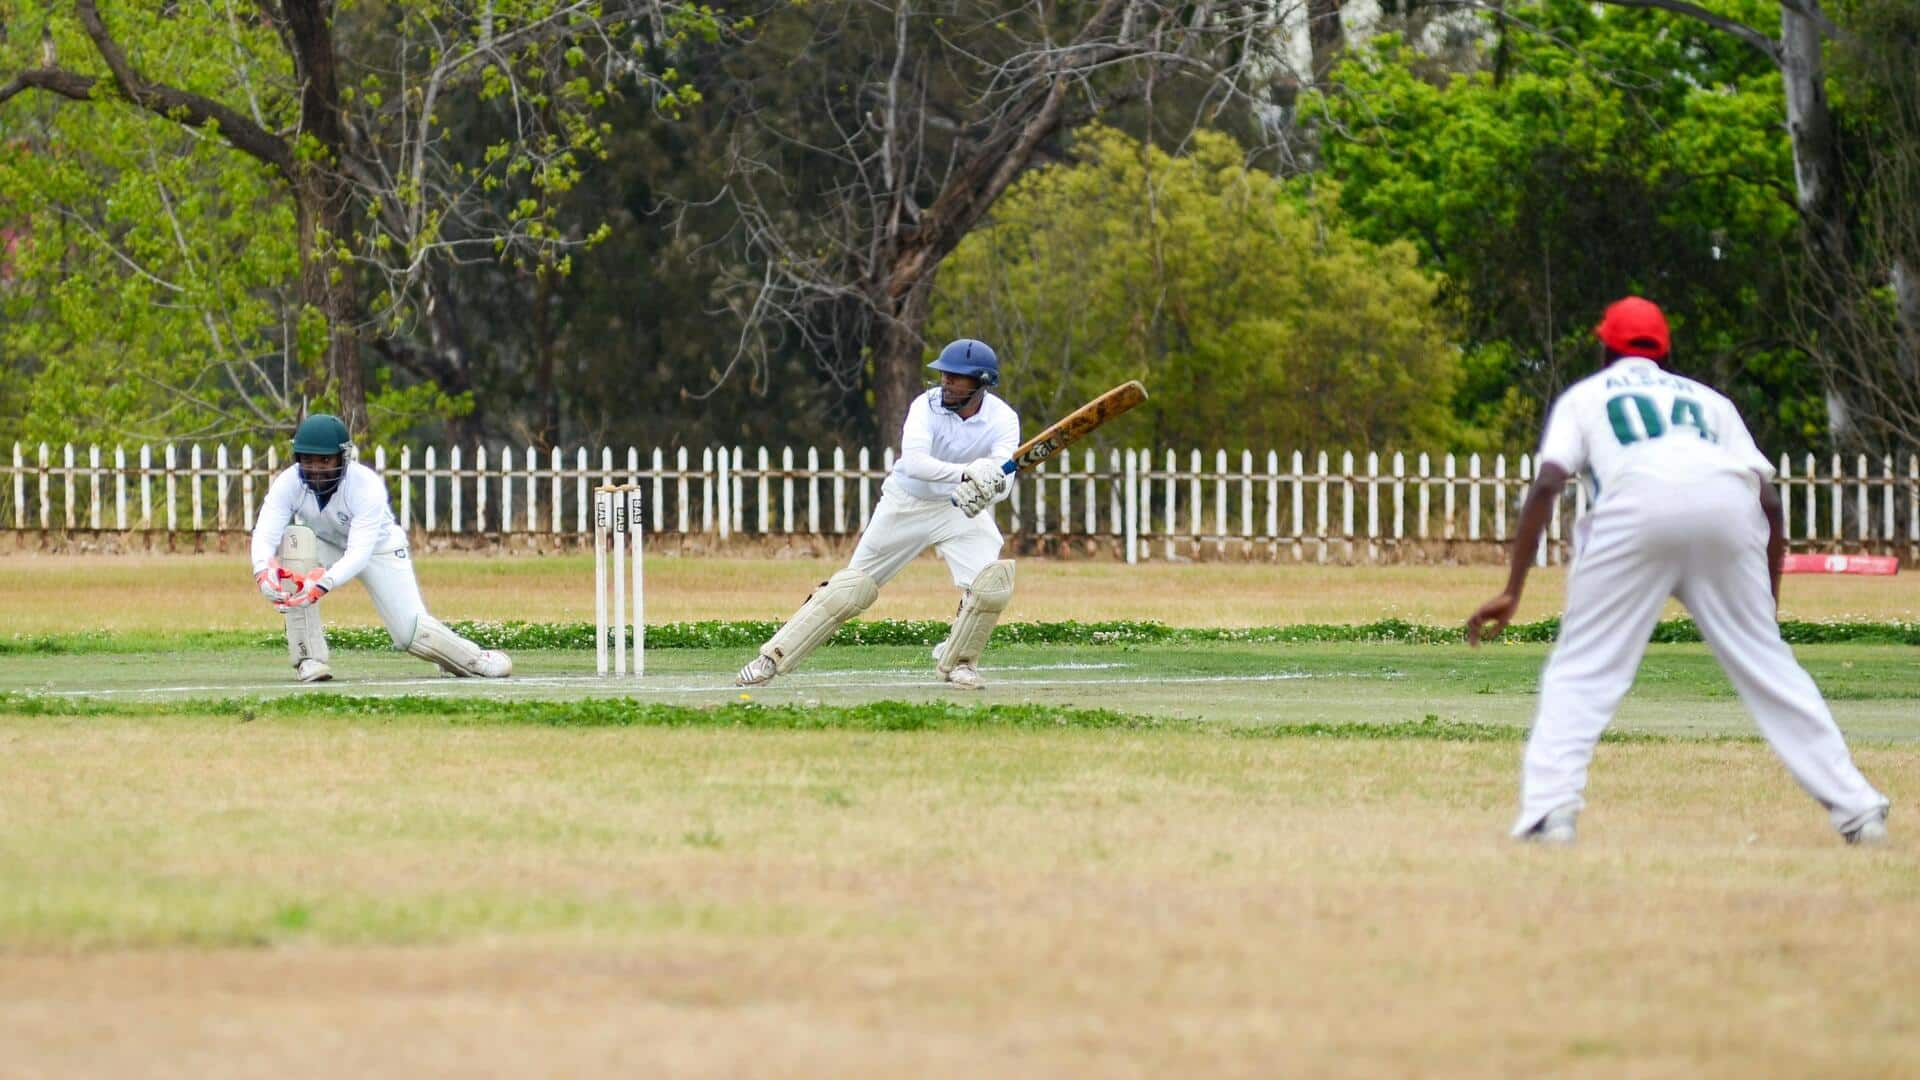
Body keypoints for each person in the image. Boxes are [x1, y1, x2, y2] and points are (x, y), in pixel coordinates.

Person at [1466, 297, 1889, 846]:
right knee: (1770, 668)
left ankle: (1550, 814)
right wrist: (1766, 609)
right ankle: (1859, 811)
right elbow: (1771, 502)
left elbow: (1549, 483)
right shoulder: (1710, 401)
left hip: (1635, 508)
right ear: (1664, 351)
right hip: (1726, 510)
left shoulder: (1586, 396)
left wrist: (1512, 589)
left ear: (1605, 347)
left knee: (1584, 668)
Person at [736, 339, 1021, 690]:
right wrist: (967, 473)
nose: (945, 381)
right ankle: (772, 657)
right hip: (906, 503)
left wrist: (987, 489)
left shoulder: (1003, 418)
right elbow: (914, 463)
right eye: (944, 374)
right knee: (850, 588)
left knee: (989, 586)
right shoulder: (925, 406)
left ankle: (960, 663)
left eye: (956, 377)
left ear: (980, 382)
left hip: (960, 509)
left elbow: (1003, 477)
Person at [251, 413, 512, 682]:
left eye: (325, 460)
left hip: (379, 549)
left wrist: (323, 582)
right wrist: (263, 572)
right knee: (296, 545)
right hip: (325, 544)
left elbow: (359, 554)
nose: (316, 468)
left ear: (343, 457)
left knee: (409, 634)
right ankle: (308, 658)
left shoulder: (365, 485)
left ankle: (473, 659)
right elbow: (265, 534)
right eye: (308, 459)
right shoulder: (288, 482)